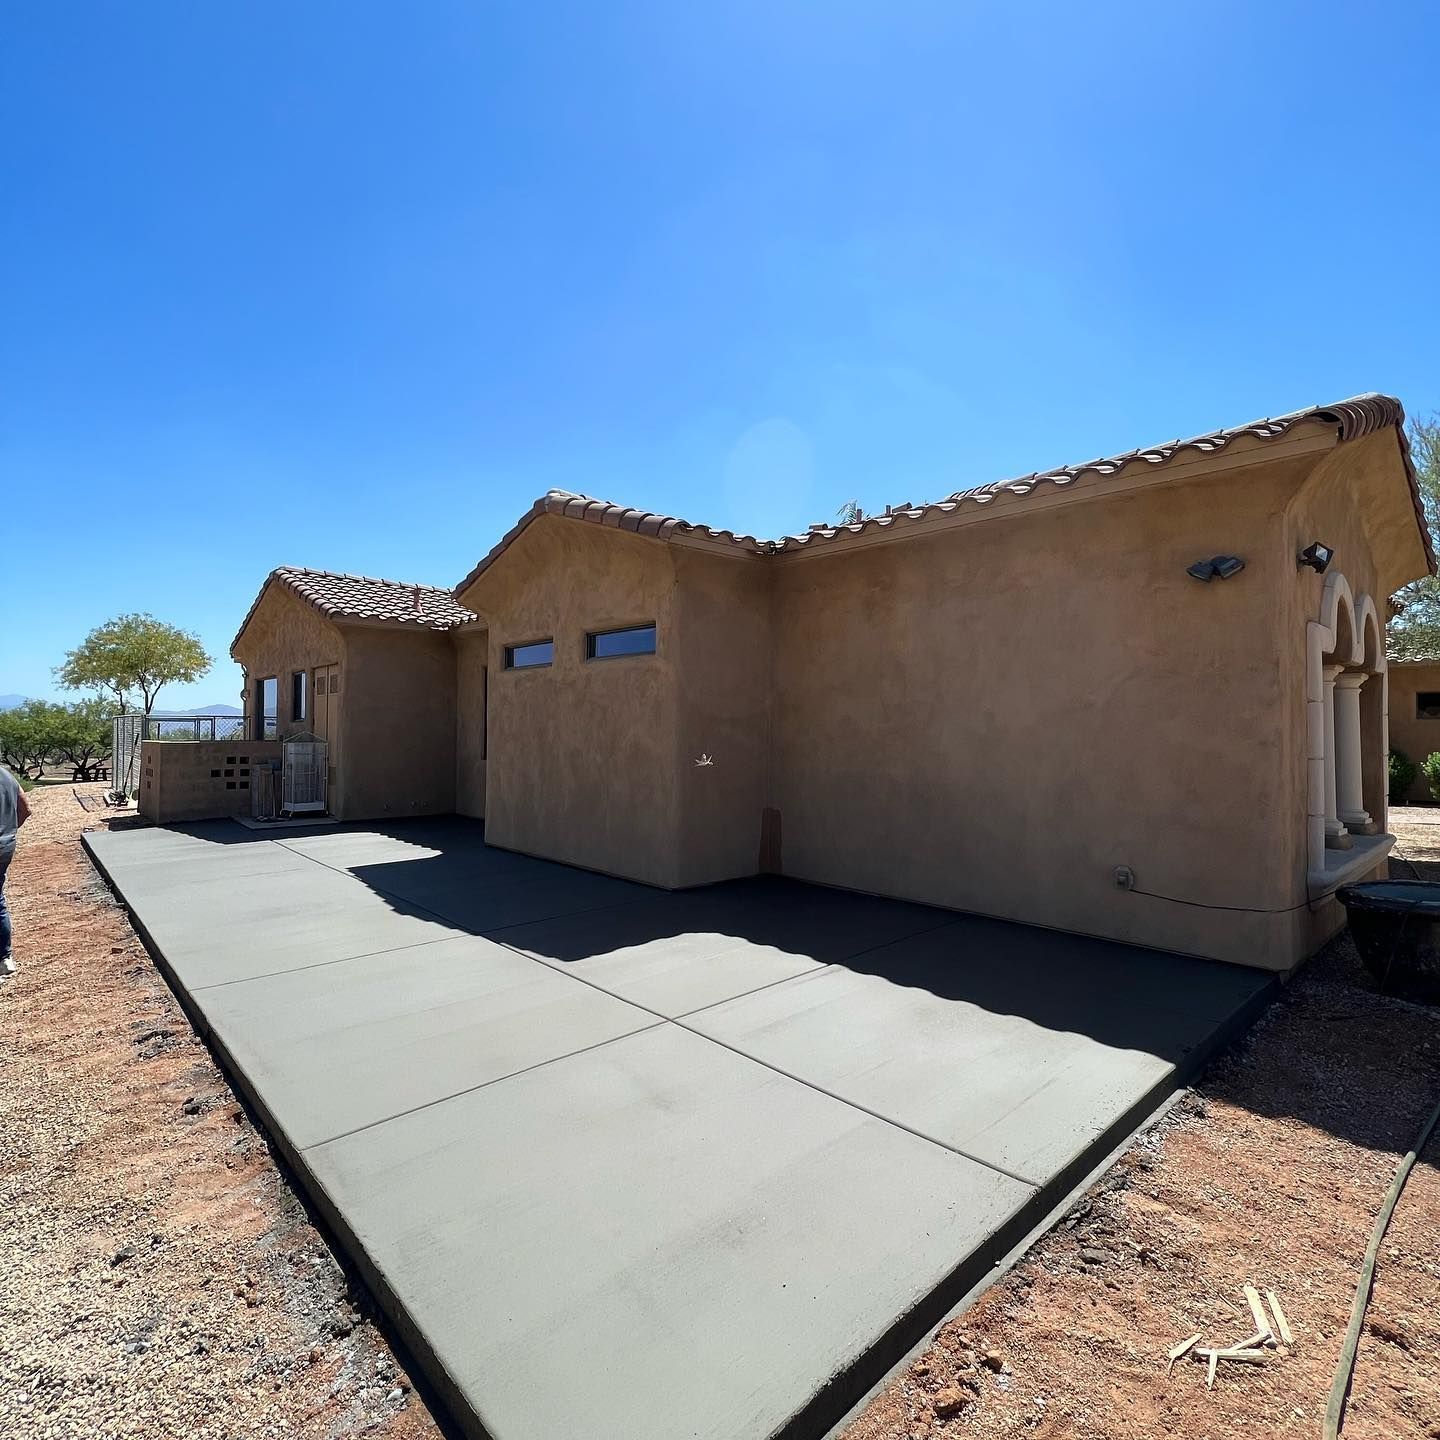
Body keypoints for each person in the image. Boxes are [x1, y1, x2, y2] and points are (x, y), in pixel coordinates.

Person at [0, 764, 30, 979]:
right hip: (6, 846)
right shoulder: (6, 775)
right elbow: (26, 809)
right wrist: (8, 831)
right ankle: (4, 957)